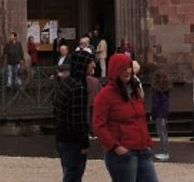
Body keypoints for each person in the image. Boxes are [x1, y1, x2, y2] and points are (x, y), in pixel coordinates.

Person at [93, 52, 157, 182]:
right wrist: (116, 147)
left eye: (128, 67)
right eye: (122, 68)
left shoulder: (135, 91)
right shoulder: (105, 95)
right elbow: (99, 125)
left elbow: (140, 119)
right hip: (123, 154)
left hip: (143, 150)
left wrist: (148, 142)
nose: (127, 71)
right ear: (114, 70)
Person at [54, 46, 92, 182]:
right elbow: (78, 119)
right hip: (72, 141)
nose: (93, 64)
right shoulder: (78, 87)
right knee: (73, 176)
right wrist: (84, 143)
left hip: (62, 138)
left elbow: (56, 110)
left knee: (69, 174)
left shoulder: (66, 82)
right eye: (90, 62)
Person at [151, 69, 172, 161]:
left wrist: (153, 114)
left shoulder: (156, 90)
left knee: (161, 133)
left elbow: (155, 104)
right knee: (164, 132)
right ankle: (165, 151)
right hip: (165, 112)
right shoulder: (166, 89)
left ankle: (165, 152)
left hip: (159, 113)